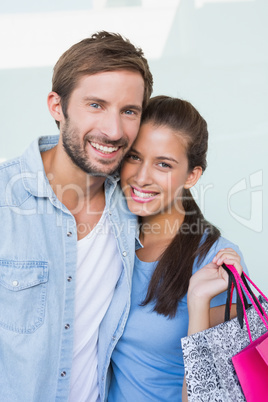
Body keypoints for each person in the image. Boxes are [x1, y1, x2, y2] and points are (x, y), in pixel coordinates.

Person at [0, 31, 153, 402]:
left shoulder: (137, 202)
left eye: (129, 111)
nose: (114, 131)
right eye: (96, 105)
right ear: (57, 106)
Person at [108, 95, 248, 401]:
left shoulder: (216, 262)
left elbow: (213, 396)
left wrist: (198, 301)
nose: (141, 177)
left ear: (192, 175)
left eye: (163, 164)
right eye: (134, 156)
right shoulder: (111, 240)